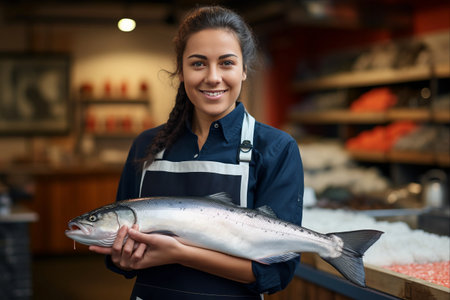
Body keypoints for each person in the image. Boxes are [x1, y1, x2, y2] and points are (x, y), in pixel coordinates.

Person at [89, 5, 304, 299]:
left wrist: (179, 253)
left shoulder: (275, 148)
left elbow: (275, 274)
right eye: (198, 63)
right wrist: (120, 257)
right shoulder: (146, 146)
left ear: (243, 71)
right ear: (181, 71)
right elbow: (119, 254)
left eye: (226, 63)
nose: (213, 77)